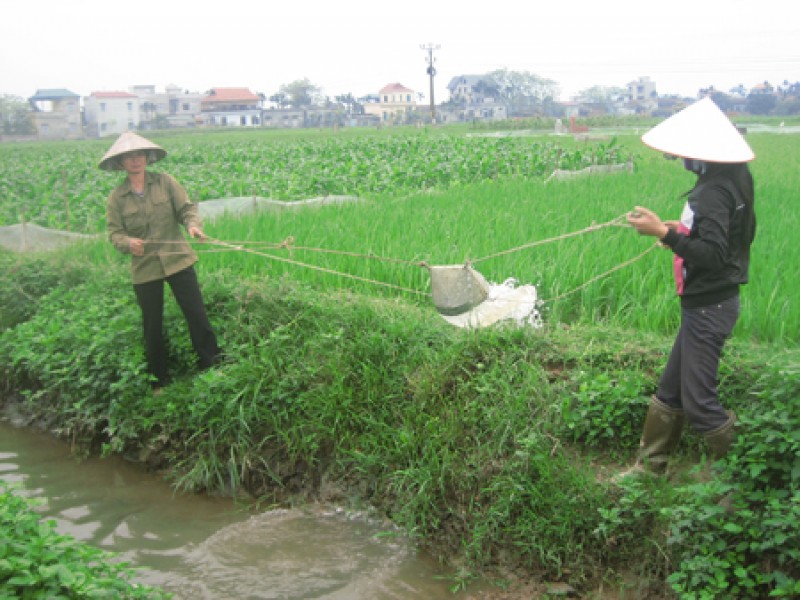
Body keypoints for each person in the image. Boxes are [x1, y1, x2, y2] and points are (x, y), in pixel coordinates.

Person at [620, 97, 756, 478]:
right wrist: (679, 232)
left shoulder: (712, 192)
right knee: (670, 389)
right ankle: (649, 470)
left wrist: (665, 233)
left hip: (708, 306)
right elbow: (725, 242)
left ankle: (742, 477)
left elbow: (712, 254)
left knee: (699, 403)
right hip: (708, 302)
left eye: (683, 154)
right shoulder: (732, 182)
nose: (680, 160)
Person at [100, 131, 221, 392]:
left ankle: (212, 365)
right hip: (145, 267)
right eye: (129, 157)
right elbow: (115, 233)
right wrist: (127, 243)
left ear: (147, 157)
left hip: (178, 258)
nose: (135, 160)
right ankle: (159, 380)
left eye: (139, 155)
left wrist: (193, 227)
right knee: (152, 324)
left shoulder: (166, 182)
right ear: (121, 163)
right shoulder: (116, 198)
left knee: (196, 312)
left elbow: (187, 210)